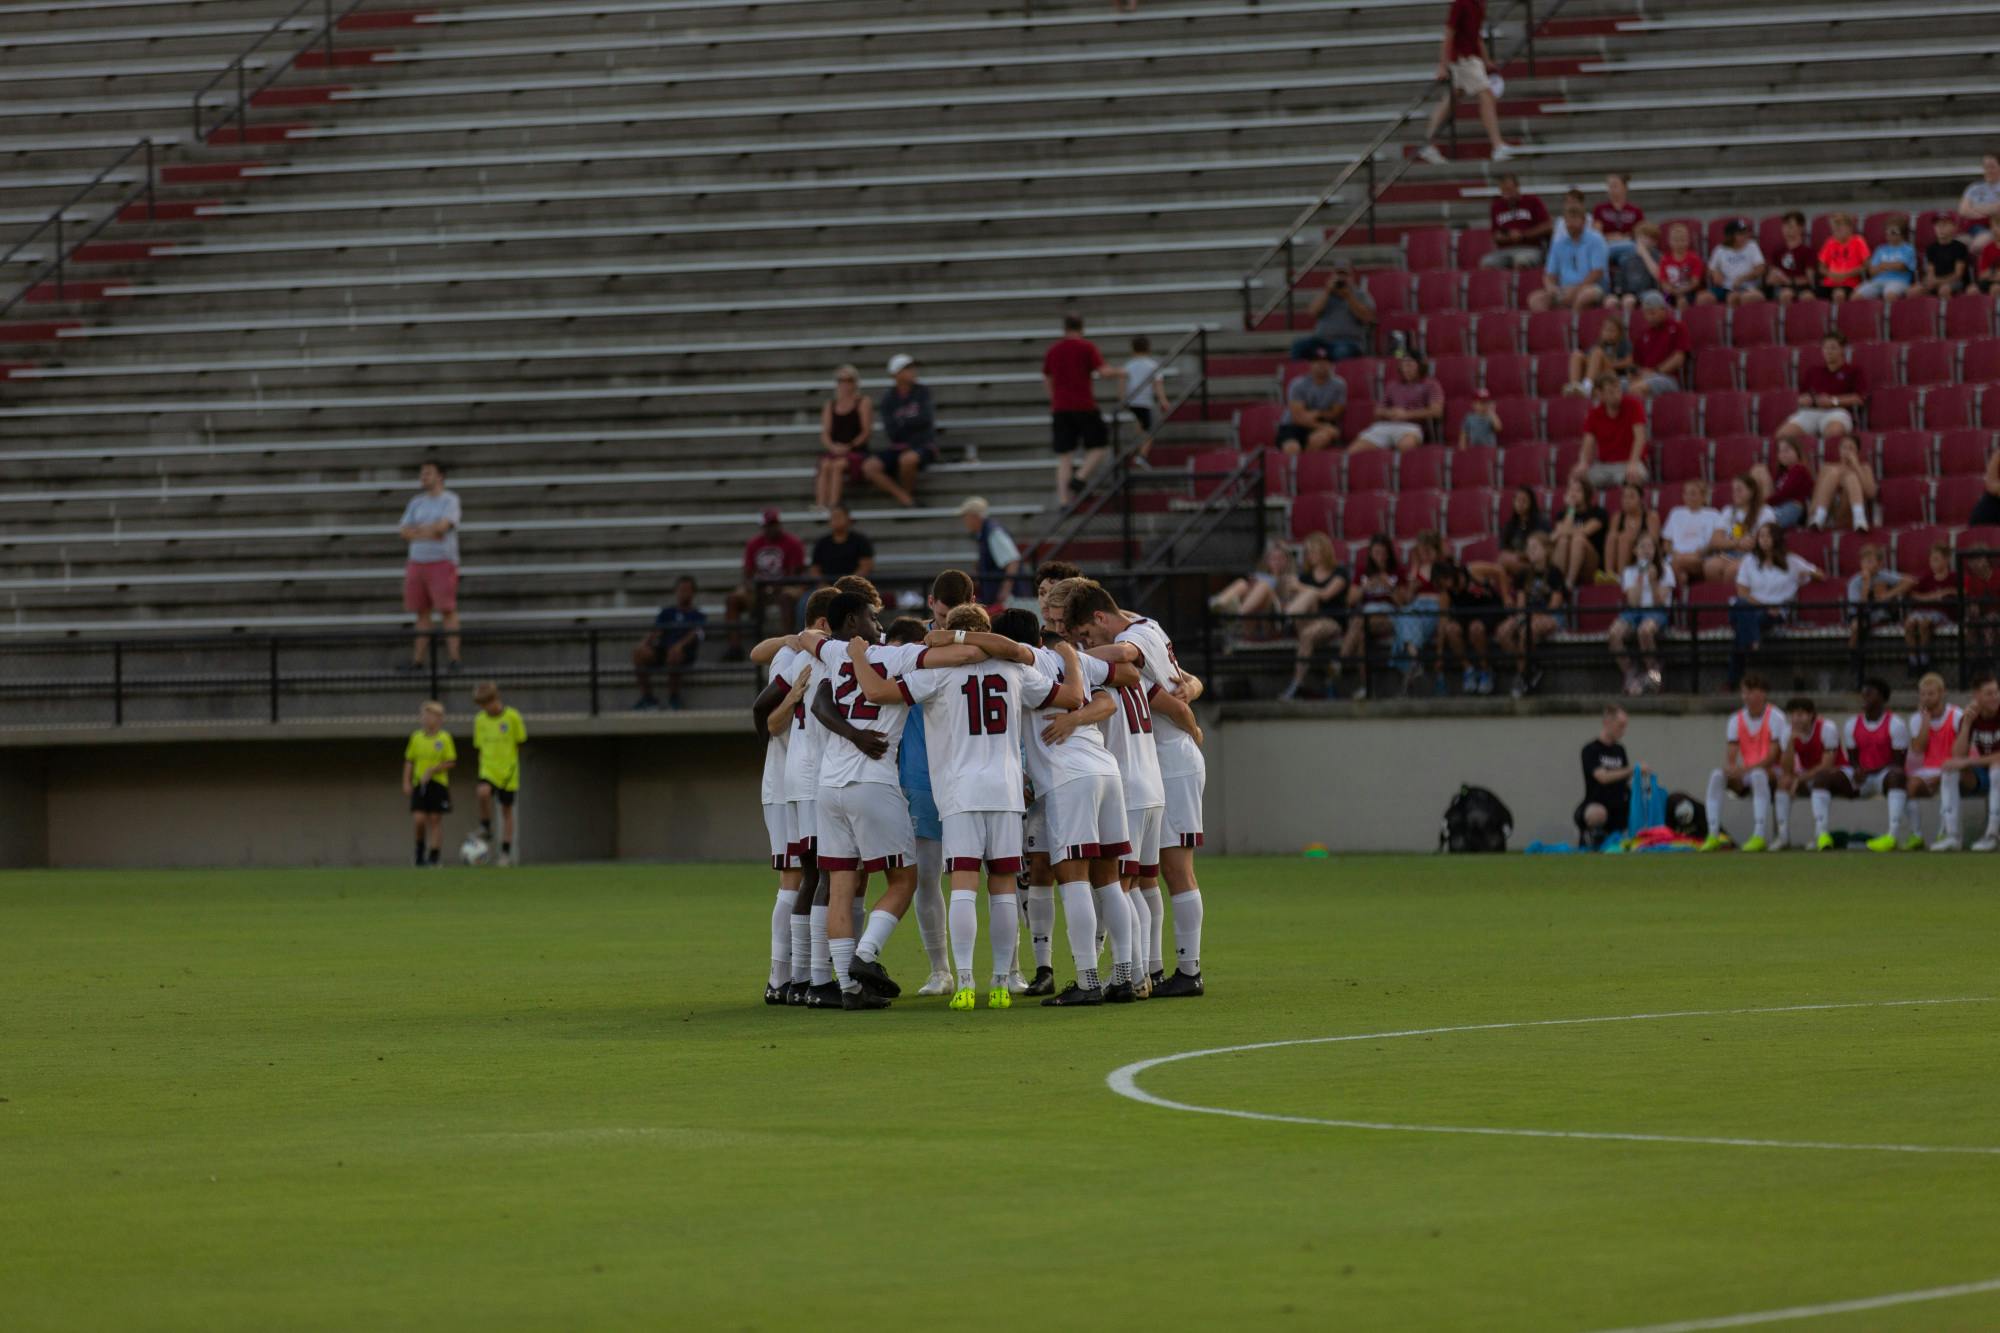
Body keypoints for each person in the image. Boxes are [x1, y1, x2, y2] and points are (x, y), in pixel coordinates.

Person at [855, 603, 1076, 1012]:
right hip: (1007, 790)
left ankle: (964, 982)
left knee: (962, 885)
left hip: (958, 792)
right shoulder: (1015, 670)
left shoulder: (936, 673)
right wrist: (1071, 658)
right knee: (1004, 886)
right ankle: (999, 982)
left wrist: (855, 655)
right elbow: (1072, 697)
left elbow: (878, 692)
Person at [802, 590, 988, 1010]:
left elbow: (805, 639)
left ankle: (849, 991)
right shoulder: (894, 657)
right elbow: (958, 658)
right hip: (873, 781)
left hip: (829, 787)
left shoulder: (833, 652)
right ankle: (865, 958)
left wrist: (824, 642)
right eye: (871, 616)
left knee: (841, 887)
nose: (879, 623)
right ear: (852, 620)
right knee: (904, 881)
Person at [994, 605, 1128, 1007]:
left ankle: (1087, 980)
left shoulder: (1017, 671)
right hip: (1106, 770)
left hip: (1067, 778)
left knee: (1072, 881)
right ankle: (1124, 974)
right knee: (1109, 881)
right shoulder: (1071, 658)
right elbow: (1123, 682)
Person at [1057, 579, 1170, 1000]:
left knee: (1120, 887)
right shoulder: (1145, 637)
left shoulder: (1113, 655)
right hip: (1151, 777)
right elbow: (1172, 696)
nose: (1086, 644)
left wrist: (1073, 657)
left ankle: (1133, 974)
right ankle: (1143, 970)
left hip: (1129, 783)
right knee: (1137, 884)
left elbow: (1119, 657)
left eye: (1086, 636)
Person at [1810, 679, 1912, 852]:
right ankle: (1822, 834)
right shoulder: (1851, 724)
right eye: (1863, 693)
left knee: (1897, 775)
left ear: (1882, 697)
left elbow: (1898, 763)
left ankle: (1892, 836)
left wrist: (1869, 771)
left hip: (1883, 776)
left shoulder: (1896, 724)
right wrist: (1857, 769)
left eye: (1869, 693)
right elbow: (1852, 758)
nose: (1864, 696)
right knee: (1821, 777)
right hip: (1861, 778)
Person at [1416, 0, 1513, 165]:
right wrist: (1443, 65)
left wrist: (1487, 60)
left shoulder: (1478, 5)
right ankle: (1497, 145)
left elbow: (1476, 36)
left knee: (1452, 98)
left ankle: (1427, 143)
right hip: (1463, 59)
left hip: (1470, 58)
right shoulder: (1461, 3)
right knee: (1487, 95)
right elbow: (1449, 33)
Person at [1700, 674, 1789, 851]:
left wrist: (1745, 770)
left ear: (1763, 694)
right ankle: (1713, 833)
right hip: (1748, 772)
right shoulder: (1735, 719)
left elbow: (1773, 756)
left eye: (1750, 692)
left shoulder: (1776, 717)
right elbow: (1731, 758)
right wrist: (1733, 770)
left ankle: (1759, 834)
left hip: (1772, 773)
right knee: (1717, 775)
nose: (1746, 697)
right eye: (1744, 692)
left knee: (1758, 775)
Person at [1729, 522, 1822, 688]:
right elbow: (1742, 591)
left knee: (1740, 625)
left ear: (1776, 538)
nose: (1763, 540)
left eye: (1767, 536)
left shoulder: (1791, 561)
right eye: (1761, 536)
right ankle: (1754, 640)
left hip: (1776, 613)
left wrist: (1807, 573)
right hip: (1756, 609)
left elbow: (1821, 575)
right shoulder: (1749, 561)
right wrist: (1764, 606)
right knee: (1740, 605)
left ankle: (1732, 680)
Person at [1044, 312, 1117, 506]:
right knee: (1099, 445)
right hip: (1083, 404)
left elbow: (1047, 377)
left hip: (1060, 407)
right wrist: (1121, 372)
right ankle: (1080, 477)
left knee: (1064, 456)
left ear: (1065, 329)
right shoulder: (1086, 347)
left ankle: (1063, 500)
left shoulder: (1054, 350)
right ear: (1081, 328)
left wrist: (1054, 399)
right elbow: (1103, 372)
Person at [398, 459, 462, 672]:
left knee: (447, 610)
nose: (423, 477)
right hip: (417, 562)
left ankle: (454, 659)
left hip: (442, 562)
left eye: (428, 473)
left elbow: (442, 528)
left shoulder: (450, 500)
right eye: (422, 473)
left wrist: (419, 532)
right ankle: (418, 660)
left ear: (440, 476)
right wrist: (428, 531)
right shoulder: (416, 502)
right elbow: (404, 531)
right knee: (421, 612)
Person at [724, 509, 807, 659]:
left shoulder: (793, 543)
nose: (771, 528)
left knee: (786, 597)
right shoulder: (754, 544)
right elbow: (748, 574)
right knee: (733, 599)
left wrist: (774, 587)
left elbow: (795, 574)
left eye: (774, 524)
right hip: (759, 588)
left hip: (784, 586)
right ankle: (734, 647)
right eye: (769, 525)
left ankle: (789, 644)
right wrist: (755, 588)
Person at [1279, 532, 1349, 700]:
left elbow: (1325, 595)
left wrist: (1301, 587)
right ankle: (1289, 617)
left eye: (1314, 551)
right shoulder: (1305, 577)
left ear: (1324, 551)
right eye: (1308, 552)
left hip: (1331, 620)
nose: (1311, 556)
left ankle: (1297, 683)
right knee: (1306, 599)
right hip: (1308, 619)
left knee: (1311, 594)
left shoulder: (1339, 572)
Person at [1907, 672, 1971, 851]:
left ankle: (1945, 832)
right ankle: (1916, 835)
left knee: (1947, 780)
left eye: (1931, 693)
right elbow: (1918, 749)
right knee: (1909, 786)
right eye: (1923, 694)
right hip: (1928, 769)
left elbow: (1964, 751)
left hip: (1951, 768)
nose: (1926, 698)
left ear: (1941, 693)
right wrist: (1925, 721)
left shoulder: (1956, 714)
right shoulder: (1916, 719)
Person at [1498, 530, 1565, 697]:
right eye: (1529, 548)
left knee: (1526, 632)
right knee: (1503, 633)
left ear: (1546, 550)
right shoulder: (1523, 574)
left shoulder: (1555, 573)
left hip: (1549, 616)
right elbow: (1521, 603)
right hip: (1528, 614)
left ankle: (1522, 676)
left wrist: (1533, 616)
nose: (1530, 551)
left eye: (1535, 548)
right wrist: (1521, 616)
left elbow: (1554, 605)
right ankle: (1530, 668)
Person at [1333, 535, 1402, 698]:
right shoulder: (1362, 571)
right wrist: (1365, 588)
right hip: (1367, 614)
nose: (1379, 557)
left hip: (1389, 615)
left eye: (1383, 553)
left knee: (1359, 621)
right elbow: (1350, 600)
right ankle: (1367, 688)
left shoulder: (1397, 571)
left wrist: (1390, 587)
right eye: (1376, 552)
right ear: (1370, 553)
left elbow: (1403, 602)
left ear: (1389, 554)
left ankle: (1340, 661)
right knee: (1362, 638)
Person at [1776, 333, 1867, 453]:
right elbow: (1801, 396)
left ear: (1842, 349)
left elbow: (1859, 398)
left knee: (1833, 434)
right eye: (1825, 348)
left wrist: (1833, 401)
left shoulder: (1853, 371)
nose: (1828, 351)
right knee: (1782, 435)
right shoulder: (1813, 371)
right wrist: (1806, 400)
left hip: (1837, 411)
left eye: (1833, 348)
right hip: (1812, 411)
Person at [1608, 531, 1673, 695]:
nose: (1646, 550)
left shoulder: (1665, 569)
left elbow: (1660, 602)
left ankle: (1654, 675)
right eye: (1642, 546)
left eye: (1650, 546)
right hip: (1633, 612)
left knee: (1644, 631)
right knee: (1614, 634)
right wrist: (1640, 577)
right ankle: (1630, 672)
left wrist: (1652, 582)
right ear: (1635, 551)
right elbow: (1633, 602)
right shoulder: (1629, 572)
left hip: (1656, 611)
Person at [470, 681, 526, 866]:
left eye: (486, 704)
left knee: (506, 811)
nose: (484, 708)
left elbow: (519, 743)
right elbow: (479, 746)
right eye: (481, 705)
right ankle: (485, 826)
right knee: (483, 792)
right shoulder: (480, 720)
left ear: (495, 699)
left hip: (508, 772)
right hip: (488, 769)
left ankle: (505, 852)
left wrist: (510, 765)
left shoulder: (512, 717)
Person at [1943, 670, 2000, 850]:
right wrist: (1966, 725)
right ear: (1976, 696)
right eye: (1989, 694)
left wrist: (1968, 762)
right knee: (1950, 771)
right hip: (1986, 773)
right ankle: (1952, 836)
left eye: (1996, 692)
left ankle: (1992, 835)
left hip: (1995, 770)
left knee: (1997, 769)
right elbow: (1958, 756)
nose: (1995, 698)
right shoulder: (1971, 717)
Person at [870, 353, 936, 507]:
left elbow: (925, 419)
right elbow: (892, 431)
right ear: (895, 374)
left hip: (922, 445)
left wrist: (903, 422)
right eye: (907, 368)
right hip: (900, 446)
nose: (913, 371)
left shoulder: (922, 392)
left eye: (912, 367)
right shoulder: (888, 398)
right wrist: (911, 422)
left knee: (908, 460)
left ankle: (908, 498)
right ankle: (905, 499)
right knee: (870, 467)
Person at [1577, 705, 1644, 849]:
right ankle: (1592, 838)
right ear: (1607, 722)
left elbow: (1624, 779)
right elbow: (1603, 777)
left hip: (1619, 806)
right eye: (1620, 726)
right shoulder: (1590, 750)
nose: (1623, 731)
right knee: (1597, 814)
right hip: (1597, 804)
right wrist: (1633, 769)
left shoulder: (1620, 750)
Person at [1781, 695, 1843, 849]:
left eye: (1801, 714)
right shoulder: (1788, 732)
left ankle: (1821, 835)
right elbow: (1787, 770)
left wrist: (1799, 779)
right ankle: (1783, 838)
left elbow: (1827, 765)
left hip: (1838, 774)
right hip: (1809, 776)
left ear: (1811, 715)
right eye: (1793, 715)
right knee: (1783, 782)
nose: (1796, 719)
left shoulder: (1827, 728)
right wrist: (1790, 743)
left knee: (1820, 779)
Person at [1438, 558, 1506, 695]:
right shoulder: (1446, 592)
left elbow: (1499, 571)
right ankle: (1468, 669)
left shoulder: (1473, 570)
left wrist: (1506, 597)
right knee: (1451, 630)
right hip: (1465, 615)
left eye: (1445, 579)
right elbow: (1443, 620)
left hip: (1488, 610)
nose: (1444, 584)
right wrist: (1439, 654)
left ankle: (1486, 669)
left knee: (1476, 629)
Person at [1350, 351, 1441, 452]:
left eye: (1410, 365)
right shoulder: (1392, 385)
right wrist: (1390, 412)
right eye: (1404, 366)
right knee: (1353, 451)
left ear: (1420, 366)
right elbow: (1377, 411)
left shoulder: (1432, 385)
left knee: (1406, 446)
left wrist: (1407, 414)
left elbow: (1437, 411)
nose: (1406, 369)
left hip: (1411, 427)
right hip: (1387, 425)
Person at [1390, 530, 1448, 691]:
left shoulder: (1442, 568)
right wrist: (1412, 588)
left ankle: (1413, 660)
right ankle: (1414, 657)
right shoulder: (1416, 568)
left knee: (1407, 620)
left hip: (1433, 606)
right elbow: (1407, 599)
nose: (1425, 555)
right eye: (1422, 551)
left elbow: (1445, 595)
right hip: (1416, 605)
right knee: (1404, 614)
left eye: (1428, 551)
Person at [401, 700, 456, 868]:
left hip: (438, 784)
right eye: (424, 715)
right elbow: (409, 761)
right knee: (419, 819)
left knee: (434, 819)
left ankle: (434, 856)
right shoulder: (416, 738)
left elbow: (451, 761)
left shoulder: (444, 738)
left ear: (439, 719)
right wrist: (406, 781)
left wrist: (433, 770)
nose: (426, 719)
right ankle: (419, 854)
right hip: (420, 784)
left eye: (430, 716)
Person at [1529, 201, 1607, 313]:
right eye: (1567, 220)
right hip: (1564, 289)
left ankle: (1572, 325)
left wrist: (1576, 290)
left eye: (1574, 219)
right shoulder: (1558, 244)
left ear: (1584, 221)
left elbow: (1597, 272)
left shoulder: (1596, 240)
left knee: (1585, 295)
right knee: (1536, 299)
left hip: (1590, 288)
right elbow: (1549, 274)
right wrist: (1551, 288)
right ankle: (1551, 327)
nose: (1570, 224)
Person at [1574, 373, 1649, 488]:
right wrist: (1583, 463)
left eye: (1618, 390)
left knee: (1634, 478)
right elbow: (1588, 443)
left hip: (1628, 463)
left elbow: (1640, 437)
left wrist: (1633, 463)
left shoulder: (1633, 405)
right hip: (1605, 466)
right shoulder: (1594, 414)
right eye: (1611, 392)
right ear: (1601, 395)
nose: (1616, 395)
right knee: (1577, 478)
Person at [815, 365, 872, 512]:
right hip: (837, 449)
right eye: (841, 380)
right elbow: (825, 433)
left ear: (855, 383)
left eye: (849, 380)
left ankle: (833, 505)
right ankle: (821, 504)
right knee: (825, 463)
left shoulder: (863, 402)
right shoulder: (830, 405)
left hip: (856, 450)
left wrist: (849, 446)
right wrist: (833, 447)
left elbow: (866, 432)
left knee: (838, 465)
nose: (845, 384)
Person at [1844, 542, 1909, 674]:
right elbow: (1859, 606)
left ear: (1879, 564)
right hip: (1859, 613)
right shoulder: (1855, 582)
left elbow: (1909, 581)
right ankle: (1854, 659)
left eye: (1870, 561)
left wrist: (1888, 594)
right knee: (1857, 626)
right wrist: (1866, 585)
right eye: (1864, 561)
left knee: (1881, 590)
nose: (1867, 565)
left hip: (1878, 614)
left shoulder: (1883, 575)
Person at [1291, 262, 1376, 361]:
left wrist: (1348, 297)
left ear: (1352, 277)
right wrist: (1327, 291)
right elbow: (1312, 312)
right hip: (1322, 341)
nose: (1341, 278)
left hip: (1349, 342)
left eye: (1345, 275)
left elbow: (1367, 317)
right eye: (1338, 275)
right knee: (1298, 347)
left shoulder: (1361, 295)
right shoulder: (1325, 294)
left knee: (1341, 352)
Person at [1701, 472, 1775, 584]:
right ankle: (1720, 598)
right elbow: (1715, 541)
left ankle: (1734, 598)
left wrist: (1743, 543)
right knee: (1710, 566)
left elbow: (1767, 540)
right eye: (1734, 490)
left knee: (1732, 570)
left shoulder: (1765, 512)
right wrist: (1737, 543)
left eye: (1739, 490)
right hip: (1729, 554)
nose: (1735, 494)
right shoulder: (1728, 511)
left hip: (1754, 555)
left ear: (1752, 492)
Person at [1901, 541, 1959, 677]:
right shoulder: (1926, 577)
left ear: (1946, 560)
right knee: (1909, 624)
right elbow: (1913, 594)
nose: (1933, 563)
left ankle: (1925, 661)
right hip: (1921, 610)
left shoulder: (1953, 577)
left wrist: (1937, 595)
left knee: (1924, 623)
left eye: (1936, 559)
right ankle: (1914, 661)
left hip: (1941, 613)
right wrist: (1936, 596)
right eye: (1931, 560)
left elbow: (1959, 592)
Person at [1210, 539, 1298, 628]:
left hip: (1273, 612)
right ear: (1267, 561)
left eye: (1280, 558)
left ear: (1287, 561)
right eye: (1273, 558)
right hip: (1252, 606)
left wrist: (1274, 582)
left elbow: (1288, 602)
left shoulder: (1290, 578)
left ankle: (1237, 617)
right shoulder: (1260, 575)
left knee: (1263, 586)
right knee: (1242, 583)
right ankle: (1218, 604)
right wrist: (1253, 586)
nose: (1276, 561)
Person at [1274, 348, 1348, 452]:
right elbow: (1297, 418)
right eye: (1317, 362)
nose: (1321, 365)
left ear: (1332, 365)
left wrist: (1318, 414)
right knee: (1292, 448)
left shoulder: (1339, 385)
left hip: (1320, 422)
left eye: (1325, 362)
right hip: (1292, 426)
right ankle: (1295, 466)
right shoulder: (1297, 384)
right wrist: (1323, 426)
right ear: (1310, 364)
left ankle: (1306, 465)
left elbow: (1336, 412)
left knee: (1320, 439)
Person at [958, 496, 1025, 604]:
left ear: (974, 516)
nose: (965, 521)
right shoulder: (986, 532)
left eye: (966, 516)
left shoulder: (993, 533)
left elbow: (1013, 561)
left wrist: (1005, 591)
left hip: (1009, 599)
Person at [1625, 291, 1690, 398]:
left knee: (1637, 388)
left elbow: (1679, 359)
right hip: (1645, 376)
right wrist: (1634, 374)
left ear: (1663, 310)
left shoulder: (1678, 328)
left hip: (1668, 378)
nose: (1649, 317)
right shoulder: (1643, 334)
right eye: (1646, 313)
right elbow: (1636, 363)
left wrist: (1655, 371)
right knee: (1611, 387)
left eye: (1652, 312)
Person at [1550, 474, 1608, 589]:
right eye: (1571, 490)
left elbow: (1584, 532)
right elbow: (1554, 537)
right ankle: (1558, 586)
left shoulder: (1598, 512)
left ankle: (1569, 584)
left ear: (1586, 493)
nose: (1573, 494)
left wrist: (1564, 531)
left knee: (1578, 540)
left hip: (1590, 564)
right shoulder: (1563, 515)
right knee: (1563, 541)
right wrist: (1571, 509)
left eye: (1578, 490)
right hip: (1567, 560)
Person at [1483, 173, 1553, 269]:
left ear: (1517, 188)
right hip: (1505, 249)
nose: (1507, 195)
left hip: (1530, 248)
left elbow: (1547, 226)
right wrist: (1508, 237)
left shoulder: (1533, 201)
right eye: (1504, 192)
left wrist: (1523, 235)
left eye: (1509, 190)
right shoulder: (1496, 206)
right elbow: (1495, 235)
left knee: (1521, 261)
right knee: (1487, 263)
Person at [1663, 478, 1725, 585]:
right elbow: (1666, 543)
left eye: (1693, 494)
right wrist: (1674, 553)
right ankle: (1684, 590)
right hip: (1676, 557)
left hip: (1700, 558)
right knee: (1680, 574)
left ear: (1703, 497)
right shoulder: (1676, 513)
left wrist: (1699, 553)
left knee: (1677, 565)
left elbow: (1715, 541)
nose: (1688, 497)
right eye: (1685, 493)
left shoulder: (1713, 514)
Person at [1120, 334, 1172, 460]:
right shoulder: (1152, 365)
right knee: (1150, 430)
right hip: (1144, 401)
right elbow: (1158, 384)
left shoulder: (1129, 365)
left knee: (1140, 425)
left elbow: (1122, 381)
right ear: (1148, 348)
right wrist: (1163, 401)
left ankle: (1137, 448)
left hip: (1132, 401)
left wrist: (1122, 398)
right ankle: (1142, 455)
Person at [1604, 482, 1661, 588]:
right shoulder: (1617, 517)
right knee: (1612, 537)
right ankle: (1609, 574)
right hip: (1621, 554)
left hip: (1642, 556)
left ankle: (1623, 577)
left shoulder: (1651, 516)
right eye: (1624, 496)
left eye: (1631, 496)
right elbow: (1612, 541)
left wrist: (1634, 540)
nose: (1626, 500)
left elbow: (1654, 542)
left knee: (1624, 538)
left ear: (1640, 499)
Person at [1593, 173, 1644, 285]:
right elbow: (1596, 234)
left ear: (1625, 188)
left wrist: (1624, 238)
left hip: (1628, 245)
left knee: (1627, 257)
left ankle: (1627, 288)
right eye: (1609, 186)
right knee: (1600, 252)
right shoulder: (1600, 209)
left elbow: (1640, 234)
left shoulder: (1635, 210)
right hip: (1606, 245)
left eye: (1615, 186)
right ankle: (1604, 287)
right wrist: (1611, 237)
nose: (1611, 189)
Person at [1567, 311, 1633, 397]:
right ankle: (1574, 386)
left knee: (1597, 352)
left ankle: (1587, 387)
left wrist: (1609, 363)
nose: (1608, 333)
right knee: (1577, 354)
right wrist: (1593, 363)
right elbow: (1588, 357)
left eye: (1611, 330)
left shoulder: (1624, 343)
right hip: (1599, 375)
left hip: (1613, 376)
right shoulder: (1599, 343)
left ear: (1619, 332)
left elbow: (1628, 362)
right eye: (1605, 330)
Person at [1852, 218, 1918, 301]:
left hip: (1899, 281)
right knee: (1855, 297)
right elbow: (1872, 271)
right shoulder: (1880, 249)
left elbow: (1901, 266)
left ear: (1902, 233)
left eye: (1893, 232)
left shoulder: (1908, 249)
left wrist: (1882, 266)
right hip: (1878, 281)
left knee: (1889, 295)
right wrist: (1890, 266)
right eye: (1887, 232)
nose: (1889, 234)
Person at [1704, 219, 1767, 305]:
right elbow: (1710, 269)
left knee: (1736, 297)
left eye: (1746, 233)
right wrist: (1715, 273)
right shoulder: (1720, 249)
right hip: (1725, 287)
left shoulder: (1752, 246)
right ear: (1730, 236)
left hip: (1747, 287)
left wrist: (1743, 278)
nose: (1745, 236)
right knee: (1704, 298)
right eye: (1740, 234)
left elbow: (1760, 268)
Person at [1497, 484, 1551, 583]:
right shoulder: (1509, 526)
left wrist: (1520, 556)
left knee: (1503, 562)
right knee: (1498, 565)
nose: (1520, 503)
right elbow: (1503, 550)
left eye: (1524, 500)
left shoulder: (1541, 523)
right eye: (1517, 500)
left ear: (1531, 502)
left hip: (1536, 565)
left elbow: (1546, 549)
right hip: (1514, 563)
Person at [809, 504, 874, 583]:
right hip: (826, 586)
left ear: (848, 519)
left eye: (839, 516)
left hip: (854, 586)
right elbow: (815, 569)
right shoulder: (822, 542)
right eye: (833, 517)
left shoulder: (861, 540)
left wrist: (848, 584)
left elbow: (865, 567)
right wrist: (823, 585)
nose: (836, 520)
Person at [1763, 211, 1818, 304]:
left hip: (1801, 289)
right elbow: (1770, 280)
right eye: (1784, 226)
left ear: (1801, 228)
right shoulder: (1777, 252)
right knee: (1785, 294)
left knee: (1807, 296)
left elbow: (1809, 280)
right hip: (1781, 289)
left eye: (1791, 226)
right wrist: (1774, 279)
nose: (1787, 229)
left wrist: (1788, 281)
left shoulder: (1808, 252)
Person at [1816, 212, 1871, 301]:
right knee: (1813, 296)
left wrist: (1845, 275)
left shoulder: (1858, 241)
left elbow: (1866, 265)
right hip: (1829, 282)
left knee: (1839, 295)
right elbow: (1821, 267)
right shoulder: (1830, 242)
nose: (1836, 231)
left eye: (1839, 228)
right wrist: (1830, 274)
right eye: (1834, 229)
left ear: (1849, 228)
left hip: (1850, 283)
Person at [1955, 151, 2000, 258]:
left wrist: (1974, 207)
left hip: (1993, 229)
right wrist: (1988, 211)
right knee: (1954, 245)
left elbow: (1997, 209)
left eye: (1992, 167)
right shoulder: (1974, 188)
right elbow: (1963, 211)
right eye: (1985, 167)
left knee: (1977, 246)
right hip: (1972, 229)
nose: (1988, 170)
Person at [1657, 222, 1705, 308]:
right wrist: (1672, 290)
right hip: (1670, 292)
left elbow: (1695, 282)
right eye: (1675, 240)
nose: (1679, 243)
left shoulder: (1694, 258)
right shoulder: (1665, 259)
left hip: (1689, 291)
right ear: (1669, 241)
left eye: (1682, 240)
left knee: (1682, 302)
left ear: (1688, 241)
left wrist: (1680, 292)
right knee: (1661, 303)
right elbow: (1663, 282)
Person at [1923, 213, 1972, 297]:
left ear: (1954, 227)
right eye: (1937, 225)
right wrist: (1930, 281)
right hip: (1937, 281)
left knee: (1944, 290)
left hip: (1956, 282)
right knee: (1915, 291)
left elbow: (1958, 275)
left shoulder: (1960, 247)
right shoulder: (1931, 248)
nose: (1940, 228)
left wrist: (1937, 282)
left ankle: (1951, 309)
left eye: (1944, 225)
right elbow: (1930, 271)